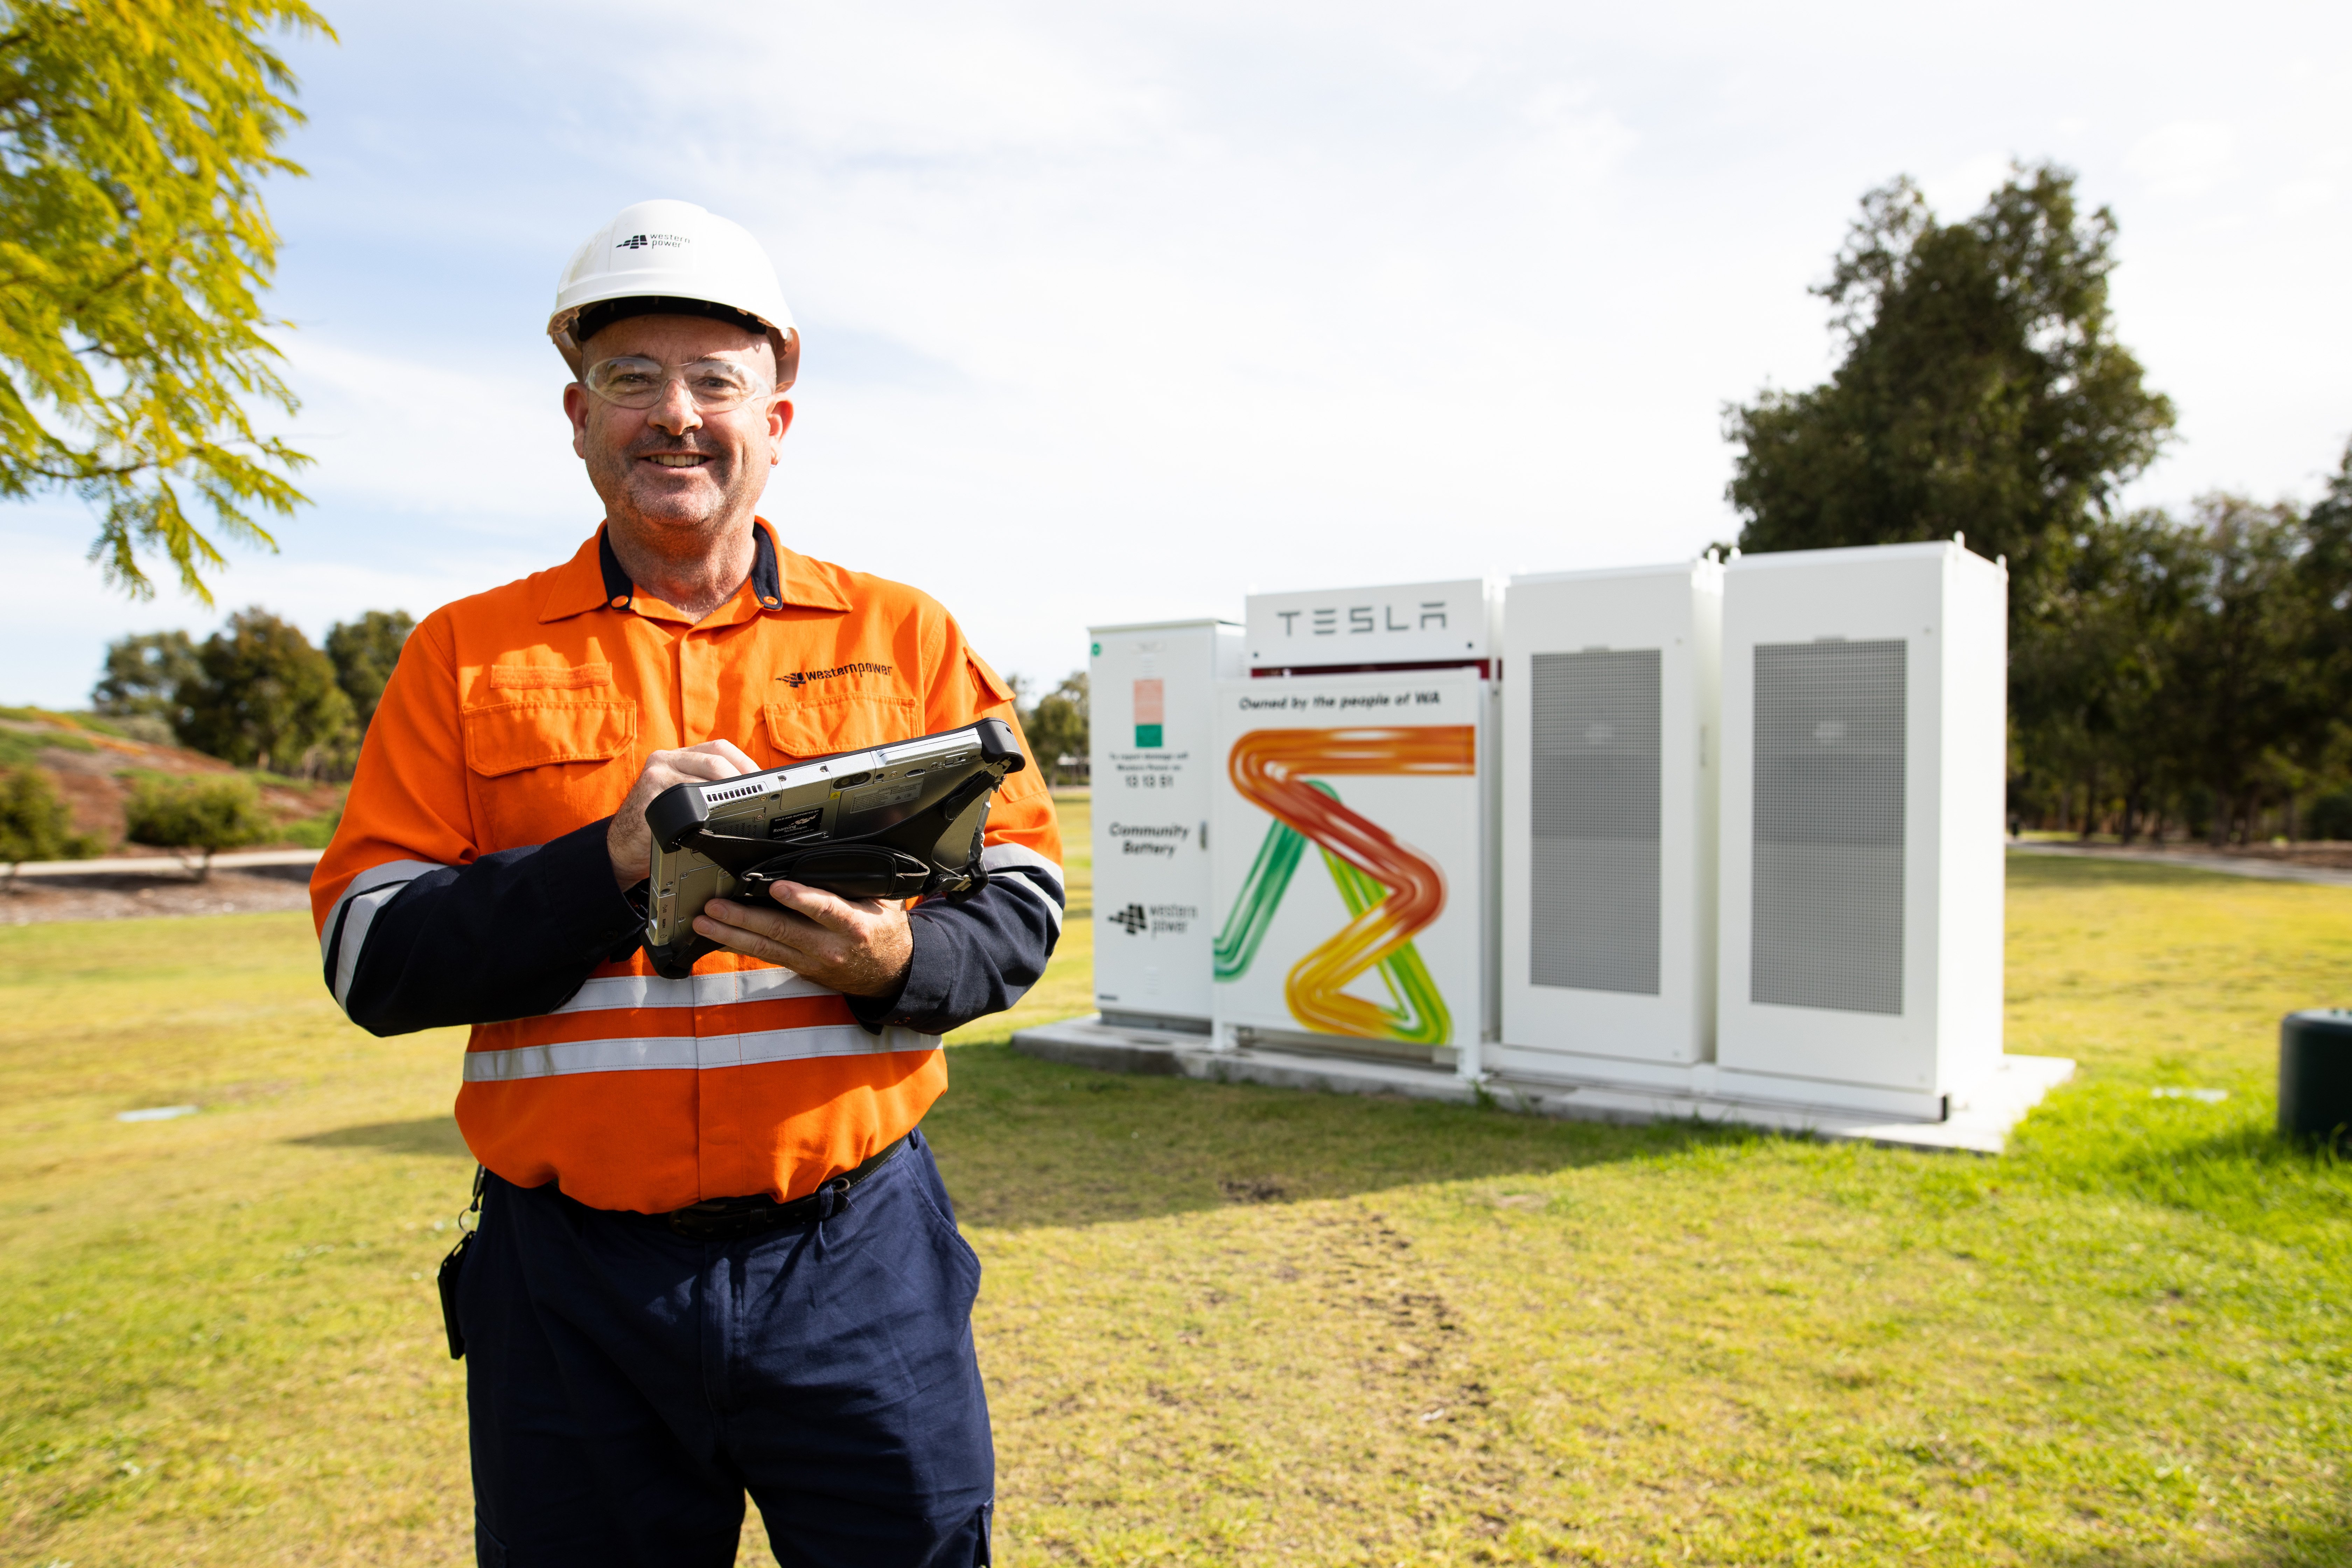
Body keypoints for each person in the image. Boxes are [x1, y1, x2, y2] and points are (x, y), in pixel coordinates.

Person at [310, 198, 1062, 1568]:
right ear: (575, 413)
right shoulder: (465, 657)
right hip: (571, 1290)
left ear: (778, 414)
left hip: (858, 1259)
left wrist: (896, 968)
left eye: (716, 380)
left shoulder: (907, 633)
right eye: (630, 378)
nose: (675, 414)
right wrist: (610, 855)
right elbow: (374, 956)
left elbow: (1025, 897)